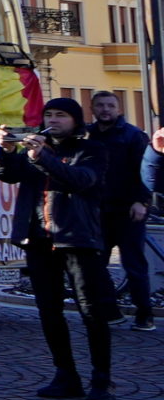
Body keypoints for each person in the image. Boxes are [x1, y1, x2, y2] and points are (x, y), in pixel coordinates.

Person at [0, 98, 116, 400]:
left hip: (77, 239)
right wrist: (6, 151)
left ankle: (102, 379)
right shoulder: (37, 147)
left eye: (61, 115)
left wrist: (41, 157)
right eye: (49, 115)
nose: (54, 120)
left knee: (91, 311)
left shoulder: (92, 149)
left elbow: (80, 181)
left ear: (75, 120)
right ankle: (65, 374)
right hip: (38, 239)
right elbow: (9, 174)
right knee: (49, 311)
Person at [85, 91, 156, 332]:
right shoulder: (87, 135)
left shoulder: (133, 136)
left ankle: (144, 314)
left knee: (134, 266)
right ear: (92, 109)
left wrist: (142, 201)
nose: (105, 109)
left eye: (110, 105)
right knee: (95, 265)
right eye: (100, 105)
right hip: (98, 212)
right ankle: (108, 311)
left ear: (119, 109)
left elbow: (146, 171)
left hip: (128, 211)